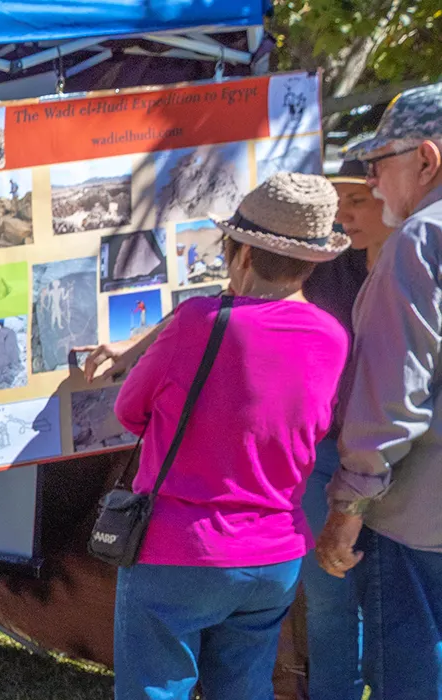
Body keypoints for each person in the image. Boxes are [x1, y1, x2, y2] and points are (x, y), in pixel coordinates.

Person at [111, 173, 351, 700]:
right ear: (312, 262)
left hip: (179, 548)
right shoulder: (332, 337)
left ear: (241, 254)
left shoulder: (198, 321)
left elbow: (129, 411)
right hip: (274, 557)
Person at [315, 82, 442, 699]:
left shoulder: (420, 238)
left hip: (418, 526)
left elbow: (393, 396)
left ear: (427, 159)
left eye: (377, 164)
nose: (372, 182)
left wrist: (347, 511)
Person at [294, 144, 395, 700]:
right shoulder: (325, 262)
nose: (344, 214)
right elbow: (233, 301)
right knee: (330, 597)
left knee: (398, 605)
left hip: (403, 464)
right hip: (327, 456)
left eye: (357, 200)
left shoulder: (418, 265)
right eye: (338, 201)